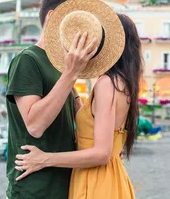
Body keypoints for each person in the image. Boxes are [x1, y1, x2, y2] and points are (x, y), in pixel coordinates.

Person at [15, 13, 141, 199]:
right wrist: (70, 82)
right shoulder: (124, 83)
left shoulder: (107, 84)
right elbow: (93, 124)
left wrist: (44, 159)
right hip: (111, 177)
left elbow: (101, 154)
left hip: (96, 180)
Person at [5, 0, 91, 199]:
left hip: (64, 185)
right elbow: (35, 125)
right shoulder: (28, 59)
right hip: (34, 189)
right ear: (52, 17)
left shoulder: (61, 67)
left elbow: (78, 121)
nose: (79, 29)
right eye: (73, 20)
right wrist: (71, 74)